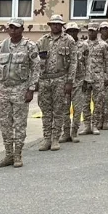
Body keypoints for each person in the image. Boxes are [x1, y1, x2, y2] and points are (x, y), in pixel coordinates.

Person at [0, 18, 40, 168]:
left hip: (20, 89)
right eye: (10, 28)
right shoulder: (2, 46)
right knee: (5, 124)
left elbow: (36, 68)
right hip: (4, 89)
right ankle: (8, 155)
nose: (13, 30)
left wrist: (31, 89)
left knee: (19, 124)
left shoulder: (29, 46)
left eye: (16, 28)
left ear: (22, 29)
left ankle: (18, 155)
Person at [37, 14, 76, 151]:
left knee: (58, 109)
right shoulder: (42, 41)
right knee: (46, 111)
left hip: (61, 78)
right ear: (50, 25)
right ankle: (47, 138)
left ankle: (55, 138)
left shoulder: (68, 40)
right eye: (53, 24)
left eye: (58, 24)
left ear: (61, 26)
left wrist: (70, 81)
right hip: (44, 79)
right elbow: (36, 61)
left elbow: (73, 62)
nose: (55, 26)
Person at [83, 22, 108, 136]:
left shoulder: (103, 45)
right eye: (90, 30)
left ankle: (95, 125)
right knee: (85, 103)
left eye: (93, 30)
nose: (91, 32)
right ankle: (86, 126)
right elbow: (79, 62)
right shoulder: (83, 45)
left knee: (98, 102)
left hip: (98, 77)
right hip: (85, 78)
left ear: (97, 31)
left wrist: (107, 76)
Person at [63, 22, 89, 143]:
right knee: (64, 108)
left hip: (79, 80)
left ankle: (74, 132)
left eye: (74, 31)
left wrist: (86, 80)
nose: (72, 33)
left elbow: (88, 63)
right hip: (64, 81)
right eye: (70, 31)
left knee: (78, 108)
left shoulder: (84, 45)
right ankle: (66, 133)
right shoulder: (63, 44)